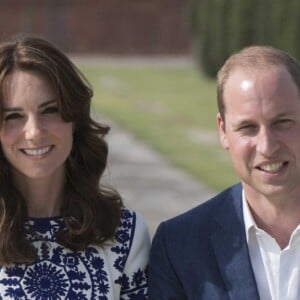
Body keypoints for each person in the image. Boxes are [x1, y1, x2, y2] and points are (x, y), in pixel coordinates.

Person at [0, 35, 150, 299]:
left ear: (75, 119)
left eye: (49, 110)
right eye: (14, 116)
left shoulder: (124, 233)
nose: (34, 132)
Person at [149, 45, 300, 299]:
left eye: (282, 122)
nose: (267, 146)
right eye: (248, 127)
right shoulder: (179, 247)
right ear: (223, 131)